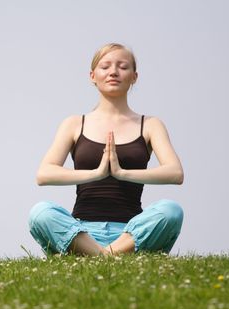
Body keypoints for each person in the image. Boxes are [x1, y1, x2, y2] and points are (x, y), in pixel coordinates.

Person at [28, 43, 184, 257]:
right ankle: (106, 255)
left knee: (171, 210)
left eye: (122, 66)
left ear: (134, 76)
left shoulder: (150, 124)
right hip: (82, 233)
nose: (113, 72)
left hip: (131, 232)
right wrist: (96, 174)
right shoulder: (74, 123)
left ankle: (99, 256)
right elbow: (44, 174)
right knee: (40, 212)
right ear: (93, 75)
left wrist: (122, 173)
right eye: (105, 66)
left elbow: (175, 173)